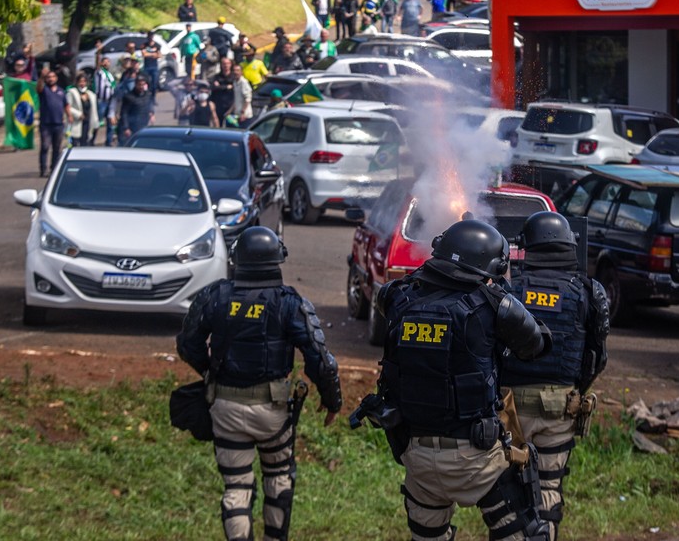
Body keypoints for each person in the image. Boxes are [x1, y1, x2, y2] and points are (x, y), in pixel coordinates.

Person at [358, 219, 553, 541]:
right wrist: (501, 296)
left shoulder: (397, 296)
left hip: (416, 456)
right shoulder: (493, 305)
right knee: (527, 533)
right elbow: (537, 346)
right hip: (476, 460)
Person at [177, 226, 342, 541]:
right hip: (273, 413)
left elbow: (188, 345)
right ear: (277, 260)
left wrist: (210, 374)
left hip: (224, 408)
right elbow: (320, 358)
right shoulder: (290, 302)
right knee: (278, 479)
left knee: (236, 486)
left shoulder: (214, 296)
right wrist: (332, 401)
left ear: (238, 259)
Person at [503, 212, 610, 541]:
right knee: (547, 489)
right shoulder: (589, 291)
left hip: (509, 410)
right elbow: (597, 357)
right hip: (559, 409)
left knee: (507, 495)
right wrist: (574, 392)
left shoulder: (509, 290)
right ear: (569, 246)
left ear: (528, 246)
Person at [36, 68, 72, 177]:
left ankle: (54, 169)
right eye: (48, 77)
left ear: (56, 78)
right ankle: (43, 169)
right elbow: (38, 87)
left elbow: (66, 104)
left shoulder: (61, 91)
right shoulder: (44, 90)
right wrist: (42, 76)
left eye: (52, 77)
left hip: (58, 124)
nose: (51, 79)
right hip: (46, 124)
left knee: (57, 148)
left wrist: (69, 115)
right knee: (45, 146)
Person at [117, 74, 154, 144]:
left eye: (143, 84)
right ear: (136, 84)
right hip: (132, 127)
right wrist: (126, 128)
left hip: (144, 126)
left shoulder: (148, 95)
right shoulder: (129, 97)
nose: (141, 87)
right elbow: (124, 113)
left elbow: (150, 105)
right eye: (139, 85)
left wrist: (152, 113)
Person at [66, 72, 99, 147]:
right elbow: (67, 106)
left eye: (84, 81)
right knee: (75, 143)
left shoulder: (91, 95)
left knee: (85, 143)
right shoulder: (72, 92)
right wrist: (78, 114)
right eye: (80, 81)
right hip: (77, 122)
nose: (82, 83)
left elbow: (94, 111)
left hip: (88, 123)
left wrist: (96, 123)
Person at [91, 56, 116, 146]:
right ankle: (91, 140)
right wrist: (98, 52)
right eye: (104, 62)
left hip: (110, 101)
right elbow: (97, 64)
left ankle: (108, 142)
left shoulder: (110, 75)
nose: (106, 63)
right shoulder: (100, 73)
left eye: (108, 62)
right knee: (97, 122)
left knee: (110, 123)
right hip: (101, 101)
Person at [211, 57, 235, 126]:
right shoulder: (217, 76)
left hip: (230, 107)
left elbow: (234, 89)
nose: (226, 65)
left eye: (227, 63)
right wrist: (226, 87)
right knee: (218, 126)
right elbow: (214, 88)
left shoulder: (233, 77)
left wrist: (220, 87)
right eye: (224, 64)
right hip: (219, 106)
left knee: (231, 126)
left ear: (230, 64)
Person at [228, 63, 253, 128]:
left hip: (245, 116)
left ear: (241, 72)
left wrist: (243, 113)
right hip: (237, 115)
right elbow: (236, 99)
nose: (235, 72)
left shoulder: (244, 82)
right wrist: (229, 111)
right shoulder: (235, 82)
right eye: (234, 70)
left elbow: (248, 99)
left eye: (237, 70)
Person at [141, 31, 162, 99]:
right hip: (147, 66)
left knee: (154, 84)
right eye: (149, 36)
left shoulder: (157, 45)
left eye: (151, 36)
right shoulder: (144, 45)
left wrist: (149, 54)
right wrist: (153, 54)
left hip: (154, 67)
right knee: (146, 83)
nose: (150, 37)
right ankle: (145, 97)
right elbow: (144, 54)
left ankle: (153, 98)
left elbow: (159, 55)